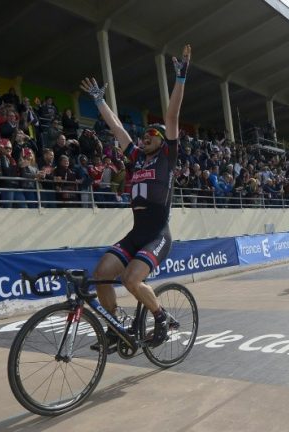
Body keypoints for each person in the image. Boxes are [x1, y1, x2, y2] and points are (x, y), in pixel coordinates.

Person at [79, 44, 191, 349]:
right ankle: (118, 328)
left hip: (158, 235)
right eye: (144, 135)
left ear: (161, 141)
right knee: (102, 274)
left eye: (151, 136)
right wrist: (99, 102)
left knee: (131, 280)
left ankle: (161, 317)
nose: (145, 138)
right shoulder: (136, 158)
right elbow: (116, 128)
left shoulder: (167, 156)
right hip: (135, 233)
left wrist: (180, 80)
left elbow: (172, 116)